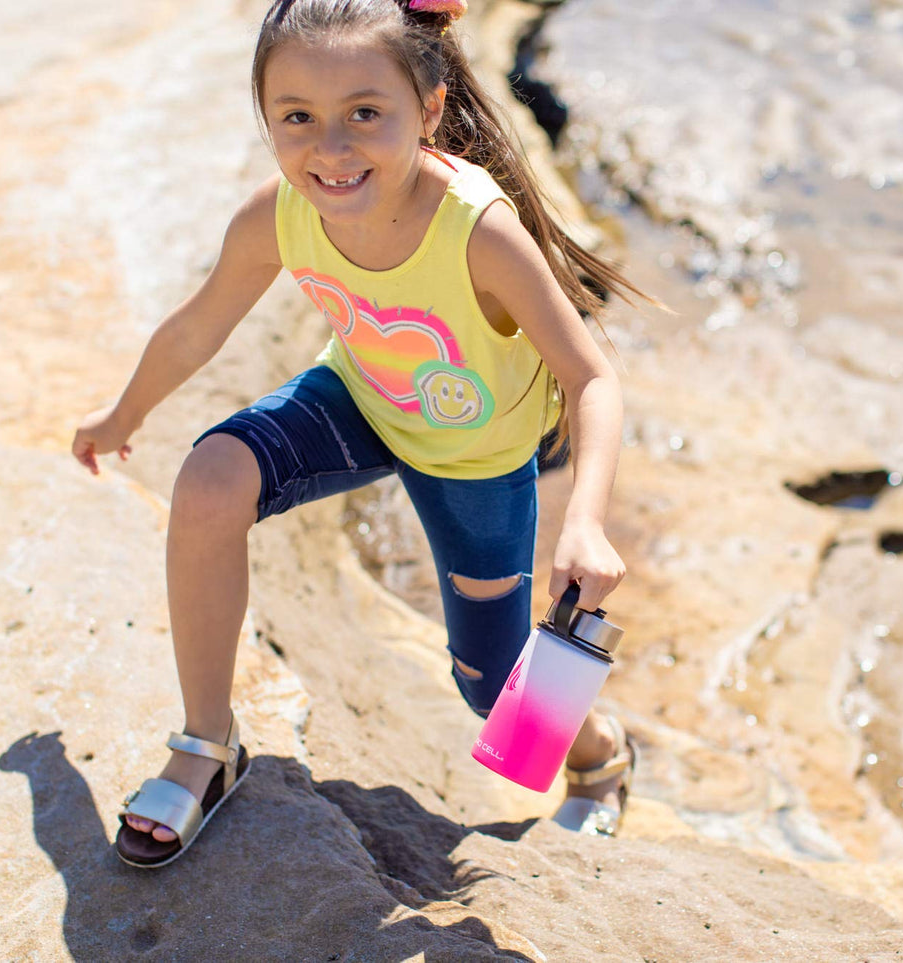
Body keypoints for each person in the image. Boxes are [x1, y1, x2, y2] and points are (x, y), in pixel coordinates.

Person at [72, 0, 645, 868]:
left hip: (476, 460)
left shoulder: (476, 230)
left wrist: (585, 520)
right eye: (296, 118)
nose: (330, 150)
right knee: (209, 480)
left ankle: (600, 758)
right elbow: (196, 327)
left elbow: (592, 375)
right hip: (365, 397)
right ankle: (206, 743)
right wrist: (122, 414)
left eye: (364, 115)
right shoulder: (279, 213)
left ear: (432, 109)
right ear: (264, 118)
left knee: (494, 694)